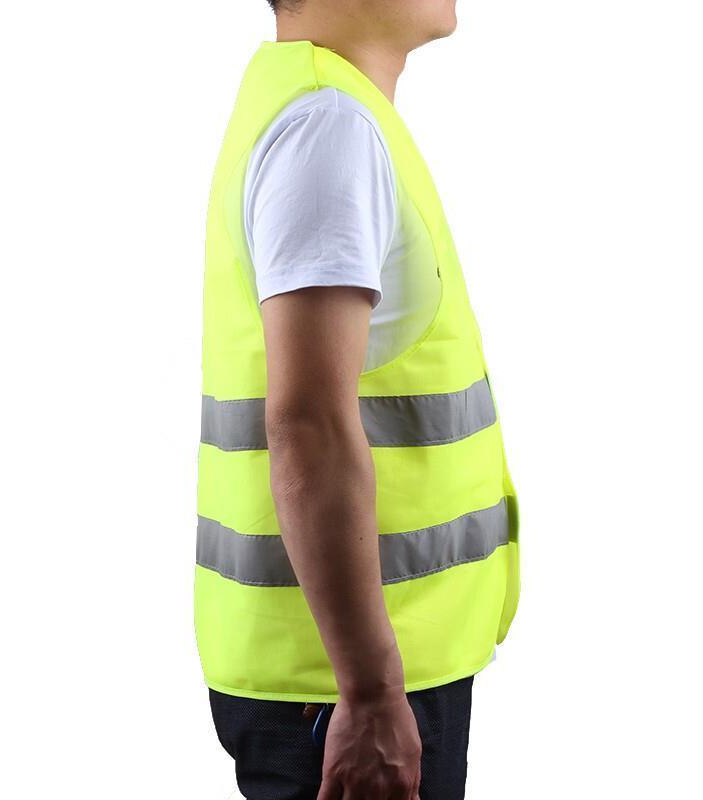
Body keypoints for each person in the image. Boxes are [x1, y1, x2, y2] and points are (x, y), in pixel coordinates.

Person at [195, 1, 520, 797]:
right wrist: (371, 691)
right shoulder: (328, 127)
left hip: (347, 670)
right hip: (349, 687)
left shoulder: (324, 107)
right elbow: (308, 424)